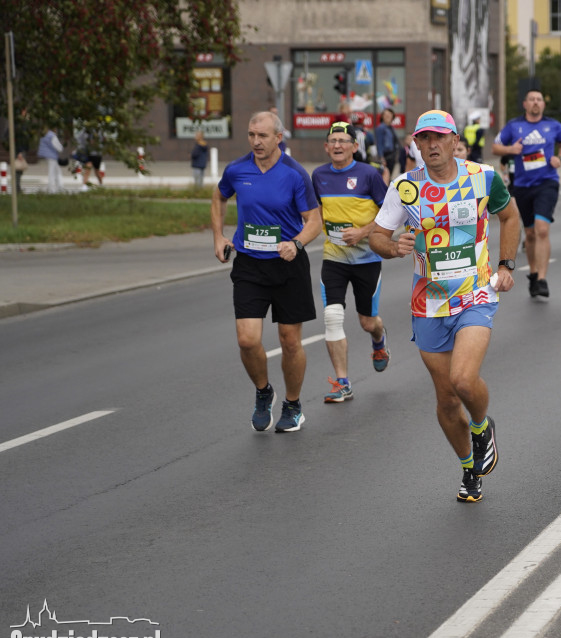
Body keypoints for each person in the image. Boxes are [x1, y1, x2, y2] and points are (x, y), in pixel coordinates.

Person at [368, 110, 521, 503]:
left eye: (439, 137)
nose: (432, 145)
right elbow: (378, 236)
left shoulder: (483, 177)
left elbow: (510, 215)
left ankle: (482, 425)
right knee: (447, 399)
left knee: (464, 381)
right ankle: (470, 467)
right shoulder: (405, 188)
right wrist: (392, 246)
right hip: (428, 304)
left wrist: (505, 265)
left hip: (475, 294)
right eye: (424, 139)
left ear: (455, 140)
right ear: (415, 144)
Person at [211, 111, 323, 433]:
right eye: (251, 135)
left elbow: (314, 221)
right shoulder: (237, 169)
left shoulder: (294, 174)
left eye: (262, 136)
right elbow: (219, 196)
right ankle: (264, 392)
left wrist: (297, 244)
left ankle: (293, 404)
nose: (256, 142)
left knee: (289, 341)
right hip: (249, 263)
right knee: (247, 341)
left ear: (278, 138)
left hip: (288, 264)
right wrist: (218, 236)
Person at [312, 121, 392, 404]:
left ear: (354, 147)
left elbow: (388, 214)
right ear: (326, 146)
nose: (336, 145)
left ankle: (379, 342)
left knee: (368, 322)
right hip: (334, 257)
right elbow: (316, 212)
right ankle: (342, 382)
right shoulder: (318, 175)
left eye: (342, 141)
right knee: (332, 316)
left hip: (366, 258)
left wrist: (361, 232)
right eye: (332, 141)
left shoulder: (368, 174)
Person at [491, 88, 561, 299]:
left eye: (539, 99)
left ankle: (542, 279)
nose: (536, 102)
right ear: (525, 104)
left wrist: (559, 159)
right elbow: (495, 147)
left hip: (547, 183)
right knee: (531, 233)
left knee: (542, 229)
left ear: (543, 104)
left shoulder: (554, 126)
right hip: (522, 186)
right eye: (532, 99)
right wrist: (510, 150)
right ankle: (533, 273)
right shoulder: (514, 126)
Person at [37, 127, 63, 194]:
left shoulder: (47, 135)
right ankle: (52, 188)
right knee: (53, 172)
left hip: (48, 155)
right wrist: (61, 149)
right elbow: (58, 146)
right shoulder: (52, 136)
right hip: (52, 156)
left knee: (56, 171)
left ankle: (58, 187)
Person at [375, 108, 399, 178]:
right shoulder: (381, 128)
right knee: (385, 176)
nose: (387, 116)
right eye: (385, 115)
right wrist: (381, 158)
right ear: (382, 116)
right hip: (386, 156)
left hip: (392, 156)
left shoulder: (391, 128)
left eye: (389, 115)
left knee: (390, 176)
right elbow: (379, 143)